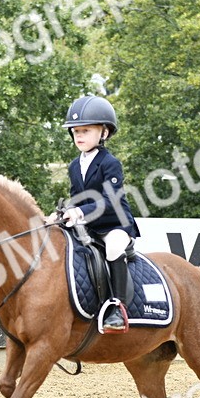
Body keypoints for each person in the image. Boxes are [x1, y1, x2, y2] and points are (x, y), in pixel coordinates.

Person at [48, 95, 139, 333]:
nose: (79, 136)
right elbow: (76, 196)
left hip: (114, 224)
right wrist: (62, 213)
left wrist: (79, 211)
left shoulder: (110, 163)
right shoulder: (74, 165)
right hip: (88, 225)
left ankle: (118, 309)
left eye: (85, 131)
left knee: (113, 248)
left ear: (104, 133)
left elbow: (111, 201)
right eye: (76, 131)